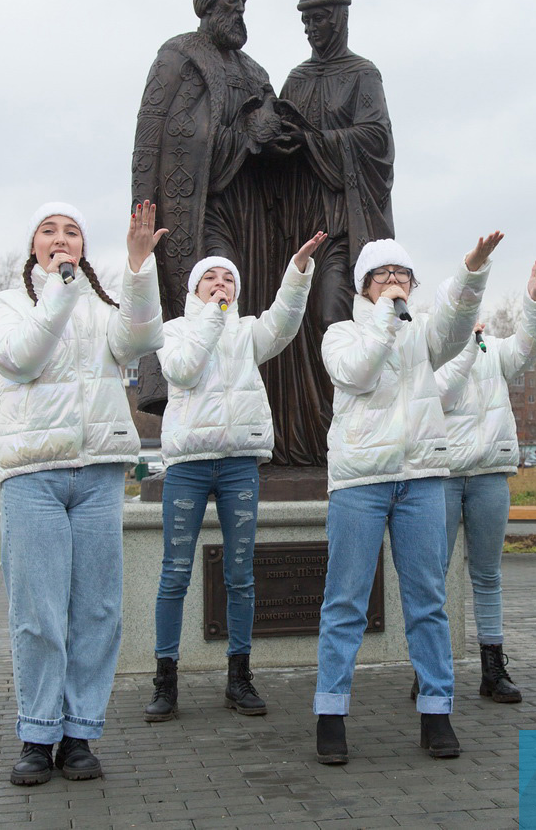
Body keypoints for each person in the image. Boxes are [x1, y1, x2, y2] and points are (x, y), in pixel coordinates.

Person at [0, 200, 165, 784]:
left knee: (98, 609)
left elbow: (142, 338)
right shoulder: (6, 305)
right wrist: (60, 291)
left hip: (99, 472)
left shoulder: (102, 305)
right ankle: (38, 733)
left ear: (84, 249)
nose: (61, 238)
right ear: (33, 246)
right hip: (33, 474)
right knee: (38, 611)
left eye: (72, 232)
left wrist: (138, 267)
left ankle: (80, 731)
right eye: (49, 230)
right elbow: (21, 358)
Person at [314, 232, 502, 766]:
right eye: (384, 277)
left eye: (404, 277)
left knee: (427, 601)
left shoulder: (422, 336)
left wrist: (471, 270)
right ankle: (331, 714)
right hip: (359, 483)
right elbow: (358, 373)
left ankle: (437, 711)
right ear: (364, 286)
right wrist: (383, 318)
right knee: (345, 602)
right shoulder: (341, 334)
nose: (396, 285)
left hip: (422, 477)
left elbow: (456, 322)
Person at [143, 232, 326, 722]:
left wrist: (298, 271)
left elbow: (284, 323)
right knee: (175, 573)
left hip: (240, 462)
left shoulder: (247, 332)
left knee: (240, 573)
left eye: (228, 279)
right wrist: (210, 319)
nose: (220, 284)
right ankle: (165, 679)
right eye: (210, 278)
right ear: (194, 289)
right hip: (187, 465)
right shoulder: (176, 329)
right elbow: (181, 372)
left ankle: (239, 676)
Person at [131, 0, 286, 416]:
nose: (239, 11)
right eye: (230, 2)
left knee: (251, 301)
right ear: (206, 6)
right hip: (196, 206)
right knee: (212, 291)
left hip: (252, 206)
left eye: (243, 2)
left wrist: (277, 136)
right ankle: (197, 410)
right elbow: (153, 136)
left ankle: (242, 409)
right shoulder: (178, 57)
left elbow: (270, 125)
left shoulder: (255, 70)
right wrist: (143, 213)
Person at [262, 0, 396, 465]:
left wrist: (315, 139)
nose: (313, 28)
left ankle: (341, 428)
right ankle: (306, 434)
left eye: (321, 18)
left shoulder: (363, 74)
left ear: (340, 17)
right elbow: (278, 134)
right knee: (292, 327)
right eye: (306, 21)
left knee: (330, 316)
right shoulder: (296, 78)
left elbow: (377, 141)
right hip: (300, 225)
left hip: (343, 224)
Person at [433, 259, 536, 703]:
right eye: (460, 304)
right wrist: (463, 345)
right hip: (442, 477)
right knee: (435, 576)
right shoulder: (430, 349)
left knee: (487, 574)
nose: (469, 309)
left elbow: (529, 346)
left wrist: (535, 300)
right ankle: (432, 665)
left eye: (471, 303)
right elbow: (440, 393)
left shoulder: (494, 349)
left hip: (489, 476)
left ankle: (493, 669)